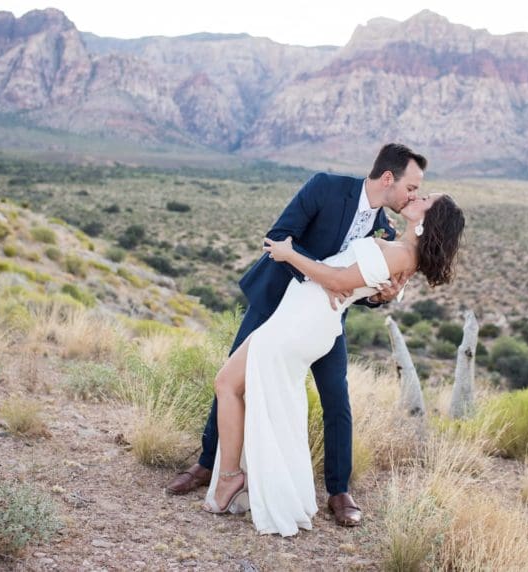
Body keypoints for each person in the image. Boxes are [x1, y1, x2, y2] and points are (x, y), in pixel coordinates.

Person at [165, 144, 427, 528]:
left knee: (336, 399)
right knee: (232, 378)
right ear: (388, 178)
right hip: (275, 304)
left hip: (323, 324)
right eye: (412, 187)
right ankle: (208, 465)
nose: (414, 196)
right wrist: (322, 278)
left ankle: (339, 490)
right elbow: (280, 237)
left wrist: (377, 296)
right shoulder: (325, 187)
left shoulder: (387, 230)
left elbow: (361, 288)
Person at [204, 192, 465, 536]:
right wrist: (352, 284)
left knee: (231, 386)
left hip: (304, 322)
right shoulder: (400, 249)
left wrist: (289, 254)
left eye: (427, 199)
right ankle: (240, 476)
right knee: (247, 390)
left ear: (428, 220)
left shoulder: (402, 254)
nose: (419, 195)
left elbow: (341, 282)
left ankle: (231, 478)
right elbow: (352, 278)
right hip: (298, 315)